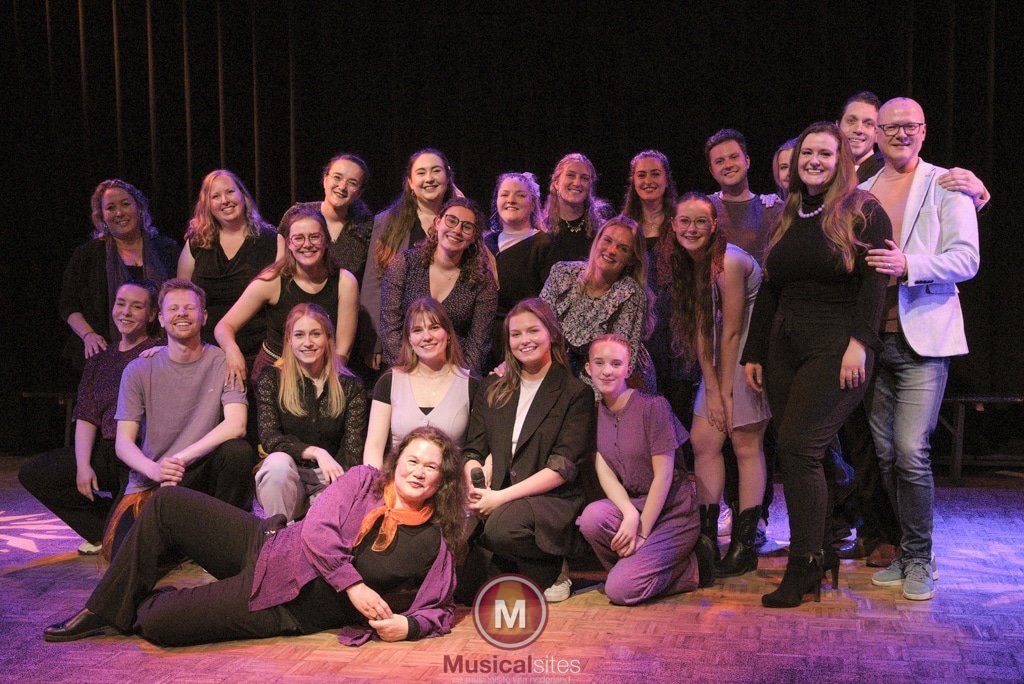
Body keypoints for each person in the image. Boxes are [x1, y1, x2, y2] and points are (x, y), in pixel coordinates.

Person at [42, 426, 466, 647]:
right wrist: (353, 585)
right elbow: (317, 531)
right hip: (270, 543)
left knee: (157, 624)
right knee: (167, 503)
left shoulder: (435, 539)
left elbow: (440, 608)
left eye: (430, 467)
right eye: (413, 460)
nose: (418, 472)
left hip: (286, 605)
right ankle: (103, 607)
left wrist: (408, 626)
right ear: (398, 461)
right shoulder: (364, 480)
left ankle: (137, 600)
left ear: (442, 479)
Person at [741, 122, 892, 608]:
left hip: (836, 345)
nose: (813, 161)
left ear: (840, 160)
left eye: (825, 154)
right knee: (808, 452)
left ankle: (803, 563)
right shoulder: (788, 213)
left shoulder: (864, 211)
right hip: (785, 347)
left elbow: (874, 286)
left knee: (799, 448)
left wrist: (860, 344)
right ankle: (822, 548)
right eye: (807, 153)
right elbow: (770, 288)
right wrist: (754, 351)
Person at [860, 97, 980, 602]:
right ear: (876, 134)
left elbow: (967, 259)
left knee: (911, 450)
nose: (901, 134)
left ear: (924, 130)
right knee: (887, 454)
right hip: (874, 340)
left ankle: (921, 559)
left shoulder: (945, 184)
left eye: (910, 126)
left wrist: (910, 265)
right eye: (891, 127)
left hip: (922, 339)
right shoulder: (862, 190)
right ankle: (909, 552)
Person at [663, 193, 770, 580]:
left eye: (700, 222)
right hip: (721, 357)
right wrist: (710, 388)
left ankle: (744, 545)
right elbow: (702, 330)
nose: (691, 229)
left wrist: (724, 395)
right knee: (703, 441)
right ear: (673, 226)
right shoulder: (690, 264)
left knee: (744, 442)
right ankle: (706, 539)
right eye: (684, 221)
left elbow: (733, 332)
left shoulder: (729, 261)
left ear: (713, 226)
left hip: (748, 357)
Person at [460, 298, 595, 603]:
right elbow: (473, 450)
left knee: (501, 529)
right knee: (468, 592)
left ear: (552, 334)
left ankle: (554, 561)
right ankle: (525, 567)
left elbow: (562, 468)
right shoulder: (493, 387)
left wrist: (500, 498)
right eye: (516, 334)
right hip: (498, 494)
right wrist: (476, 482)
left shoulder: (575, 393)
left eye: (533, 331)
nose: (525, 340)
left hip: (549, 499)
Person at [108, 279, 257, 556]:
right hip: (155, 478)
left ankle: (220, 543)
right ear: (161, 319)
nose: (181, 314)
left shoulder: (225, 363)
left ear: (204, 316)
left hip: (200, 472)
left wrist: (179, 459)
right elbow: (123, 444)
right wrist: (154, 470)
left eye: (189, 308)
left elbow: (236, 425)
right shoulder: (139, 369)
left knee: (238, 452)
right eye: (173, 309)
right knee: (125, 557)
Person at [19, 280, 159, 555]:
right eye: (121, 304)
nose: (126, 312)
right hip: (107, 452)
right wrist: (83, 466)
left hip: (140, 455)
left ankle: (119, 529)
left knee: (125, 551)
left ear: (152, 314)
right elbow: (86, 415)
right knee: (34, 472)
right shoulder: (101, 358)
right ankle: (101, 528)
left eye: (137, 306)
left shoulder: (159, 351)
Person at [577, 334, 702, 604]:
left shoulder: (653, 407)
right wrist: (629, 513)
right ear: (588, 368)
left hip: (671, 513)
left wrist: (643, 531)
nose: (607, 371)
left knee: (619, 590)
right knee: (591, 518)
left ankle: (690, 568)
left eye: (615, 363)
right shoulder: (594, 412)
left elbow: (664, 476)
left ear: (628, 369)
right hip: (635, 504)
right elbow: (605, 470)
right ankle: (633, 570)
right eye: (599, 363)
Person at [215, 203, 358, 389]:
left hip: (324, 372)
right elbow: (224, 326)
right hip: (274, 372)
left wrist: (322, 381)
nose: (307, 244)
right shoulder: (273, 280)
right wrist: (232, 351)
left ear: (325, 241)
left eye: (314, 237)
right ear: (289, 243)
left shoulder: (345, 282)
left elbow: (342, 351)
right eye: (298, 238)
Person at [255, 303, 369, 522]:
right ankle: (278, 535)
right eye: (299, 335)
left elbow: (352, 452)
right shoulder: (272, 378)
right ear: (289, 340)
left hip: (329, 480)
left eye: (315, 334)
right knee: (276, 464)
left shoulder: (350, 386)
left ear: (328, 339)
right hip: (288, 479)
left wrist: (336, 490)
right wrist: (316, 452)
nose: (307, 343)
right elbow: (270, 438)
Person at [59, 179, 177, 373]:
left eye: (125, 204)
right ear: (102, 217)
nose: (119, 213)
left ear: (139, 208)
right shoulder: (88, 255)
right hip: (103, 353)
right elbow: (68, 305)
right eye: (110, 208)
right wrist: (88, 335)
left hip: (161, 353)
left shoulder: (166, 249)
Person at [361, 149, 458, 371]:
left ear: (447, 177)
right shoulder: (387, 222)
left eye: (436, 171)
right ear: (411, 183)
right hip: (400, 339)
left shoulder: (459, 222)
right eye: (421, 173)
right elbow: (373, 284)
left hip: (449, 338)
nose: (429, 178)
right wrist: (375, 342)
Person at [379, 197, 497, 372]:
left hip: (456, 372)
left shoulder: (482, 281)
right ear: (437, 223)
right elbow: (390, 327)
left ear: (473, 237)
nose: (457, 230)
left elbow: (478, 345)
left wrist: (457, 379)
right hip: (405, 368)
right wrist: (412, 372)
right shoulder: (405, 264)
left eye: (467, 227)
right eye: (451, 220)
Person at [540, 215, 656, 393]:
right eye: (607, 240)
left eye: (623, 248)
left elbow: (616, 364)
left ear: (631, 259)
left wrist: (583, 400)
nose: (611, 250)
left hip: (613, 383)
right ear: (597, 240)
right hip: (564, 372)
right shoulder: (562, 273)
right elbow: (538, 326)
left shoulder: (629, 294)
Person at [177, 169, 283, 359]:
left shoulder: (272, 240)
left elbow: (284, 302)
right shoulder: (196, 243)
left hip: (258, 352)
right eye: (215, 196)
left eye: (230, 192)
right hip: (205, 352)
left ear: (243, 195)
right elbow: (181, 298)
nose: (224, 200)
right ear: (207, 205)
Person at [363, 297, 477, 469]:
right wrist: (375, 482)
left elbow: (477, 449)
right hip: (400, 481)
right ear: (409, 339)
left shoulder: (470, 383)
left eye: (434, 327)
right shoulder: (389, 382)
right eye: (417, 330)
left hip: (450, 482)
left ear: (448, 334)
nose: (427, 337)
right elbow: (374, 447)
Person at [483, 172, 552, 369]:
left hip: (523, 341)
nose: (511, 200)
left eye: (520, 195)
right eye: (504, 194)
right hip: (485, 343)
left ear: (533, 203)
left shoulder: (543, 244)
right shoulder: (485, 243)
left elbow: (547, 302)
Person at [704, 128, 783, 264]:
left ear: (747, 161)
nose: (728, 165)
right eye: (720, 161)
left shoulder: (772, 209)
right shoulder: (704, 208)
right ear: (712, 171)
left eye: (734, 157)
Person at [303, 153, 374, 283]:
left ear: (359, 193)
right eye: (337, 177)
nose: (342, 187)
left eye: (352, 183)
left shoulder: (366, 228)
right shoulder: (299, 215)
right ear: (325, 179)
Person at [543, 153, 614, 267]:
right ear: (556, 182)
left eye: (584, 178)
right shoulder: (543, 229)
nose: (577, 183)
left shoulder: (603, 224)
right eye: (570, 175)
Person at [621, 150, 678, 254]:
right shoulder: (622, 225)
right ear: (633, 182)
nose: (648, 181)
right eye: (641, 175)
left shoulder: (680, 221)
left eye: (655, 174)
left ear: (667, 180)